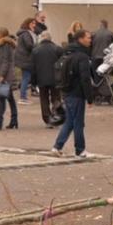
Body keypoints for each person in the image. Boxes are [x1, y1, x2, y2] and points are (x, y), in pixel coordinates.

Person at [52, 29, 94, 158]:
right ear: (80, 39)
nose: (90, 40)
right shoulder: (82, 56)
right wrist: (90, 97)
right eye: (88, 37)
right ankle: (80, 150)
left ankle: (57, 146)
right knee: (78, 123)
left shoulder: (68, 53)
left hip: (66, 91)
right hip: (77, 93)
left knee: (70, 121)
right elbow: (85, 78)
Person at [32, 31, 64, 128]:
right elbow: (63, 63)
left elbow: (33, 67)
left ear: (41, 38)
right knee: (56, 98)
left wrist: (33, 81)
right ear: (50, 39)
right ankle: (56, 116)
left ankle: (47, 119)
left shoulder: (35, 50)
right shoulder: (58, 49)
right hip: (56, 78)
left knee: (44, 99)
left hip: (41, 78)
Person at [0, 27, 18, 130]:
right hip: (7, 75)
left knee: (1, 98)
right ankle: (14, 120)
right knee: (10, 99)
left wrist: (2, 76)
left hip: (6, 76)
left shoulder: (5, 46)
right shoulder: (4, 45)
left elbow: (5, 62)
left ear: (2, 34)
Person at [15, 17, 38, 104]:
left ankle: (23, 95)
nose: (34, 25)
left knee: (26, 77)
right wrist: (37, 47)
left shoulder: (25, 33)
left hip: (23, 59)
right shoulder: (26, 34)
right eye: (33, 23)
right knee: (26, 78)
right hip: (25, 59)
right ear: (28, 24)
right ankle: (23, 97)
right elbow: (29, 45)